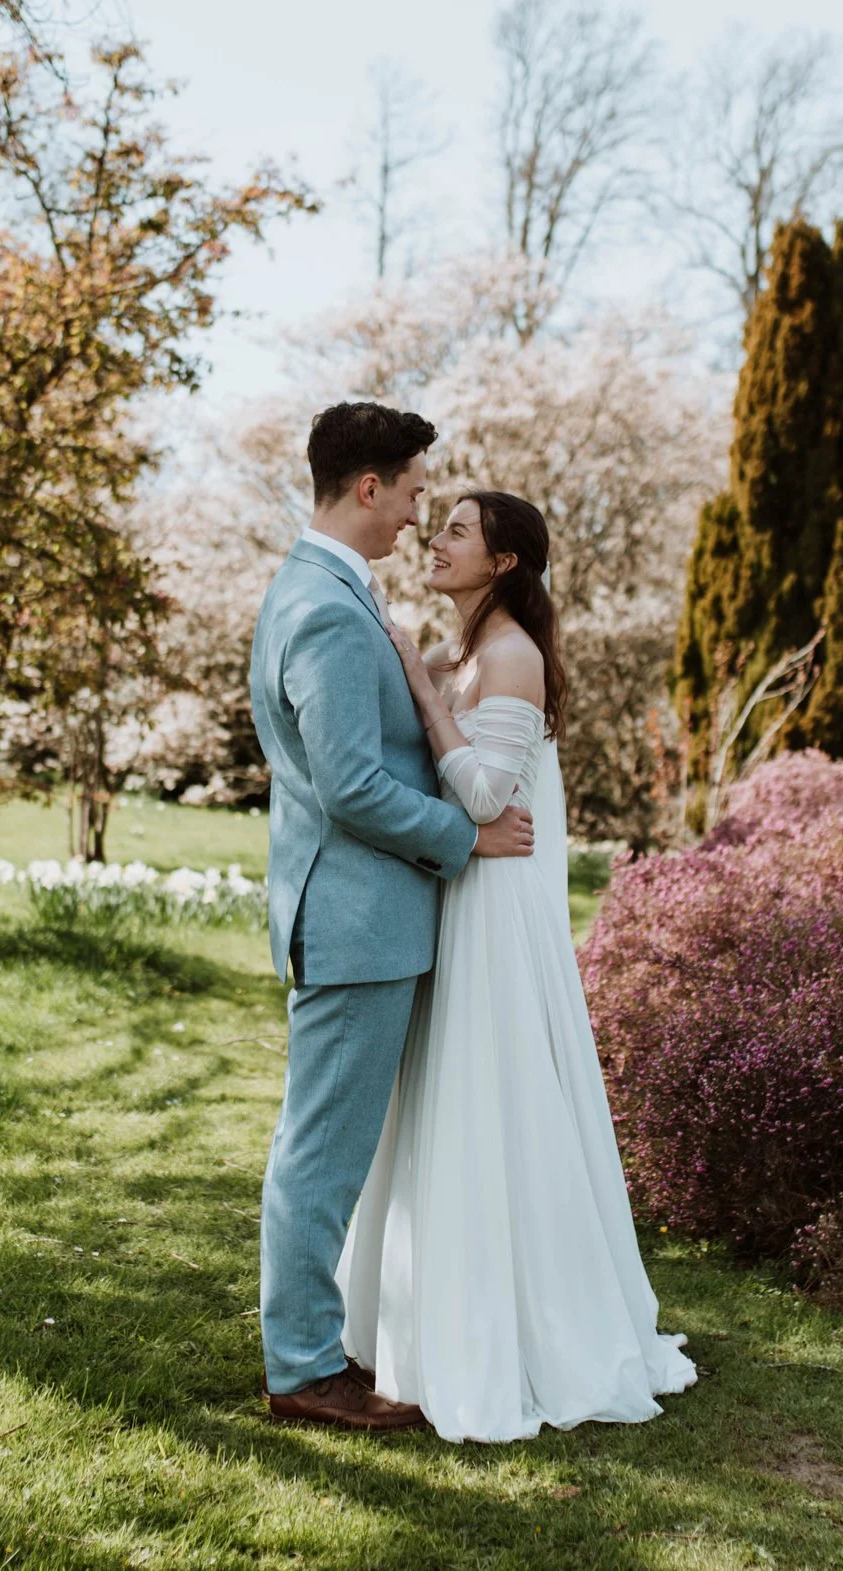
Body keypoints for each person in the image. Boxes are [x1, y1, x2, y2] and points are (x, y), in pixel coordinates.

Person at [341, 488, 696, 1442]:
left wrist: (420, 687)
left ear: (502, 562)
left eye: (458, 529)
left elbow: (492, 792)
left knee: (488, 1100)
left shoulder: (509, 656)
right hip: (462, 893)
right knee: (445, 1102)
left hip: (493, 915)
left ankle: (510, 1330)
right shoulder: (478, 652)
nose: (437, 539)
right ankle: (421, 1307)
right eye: (441, 521)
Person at [247, 402, 537, 1432]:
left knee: (333, 1144)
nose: (422, 510)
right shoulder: (324, 607)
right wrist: (468, 838)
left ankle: (319, 1342)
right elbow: (350, 784)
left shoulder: (331, 590)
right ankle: (304, 1368)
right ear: (367, 487)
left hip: (363, 914)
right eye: (415, 489)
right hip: (354, 917)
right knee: (320, 1150)